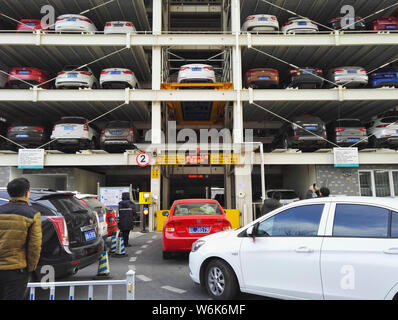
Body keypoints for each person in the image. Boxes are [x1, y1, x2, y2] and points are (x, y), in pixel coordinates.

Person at [0, 178, 42, 300]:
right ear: (27, 193)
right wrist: (30, 267)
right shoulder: (32, 214)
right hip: (16, 270)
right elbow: (34, 246)